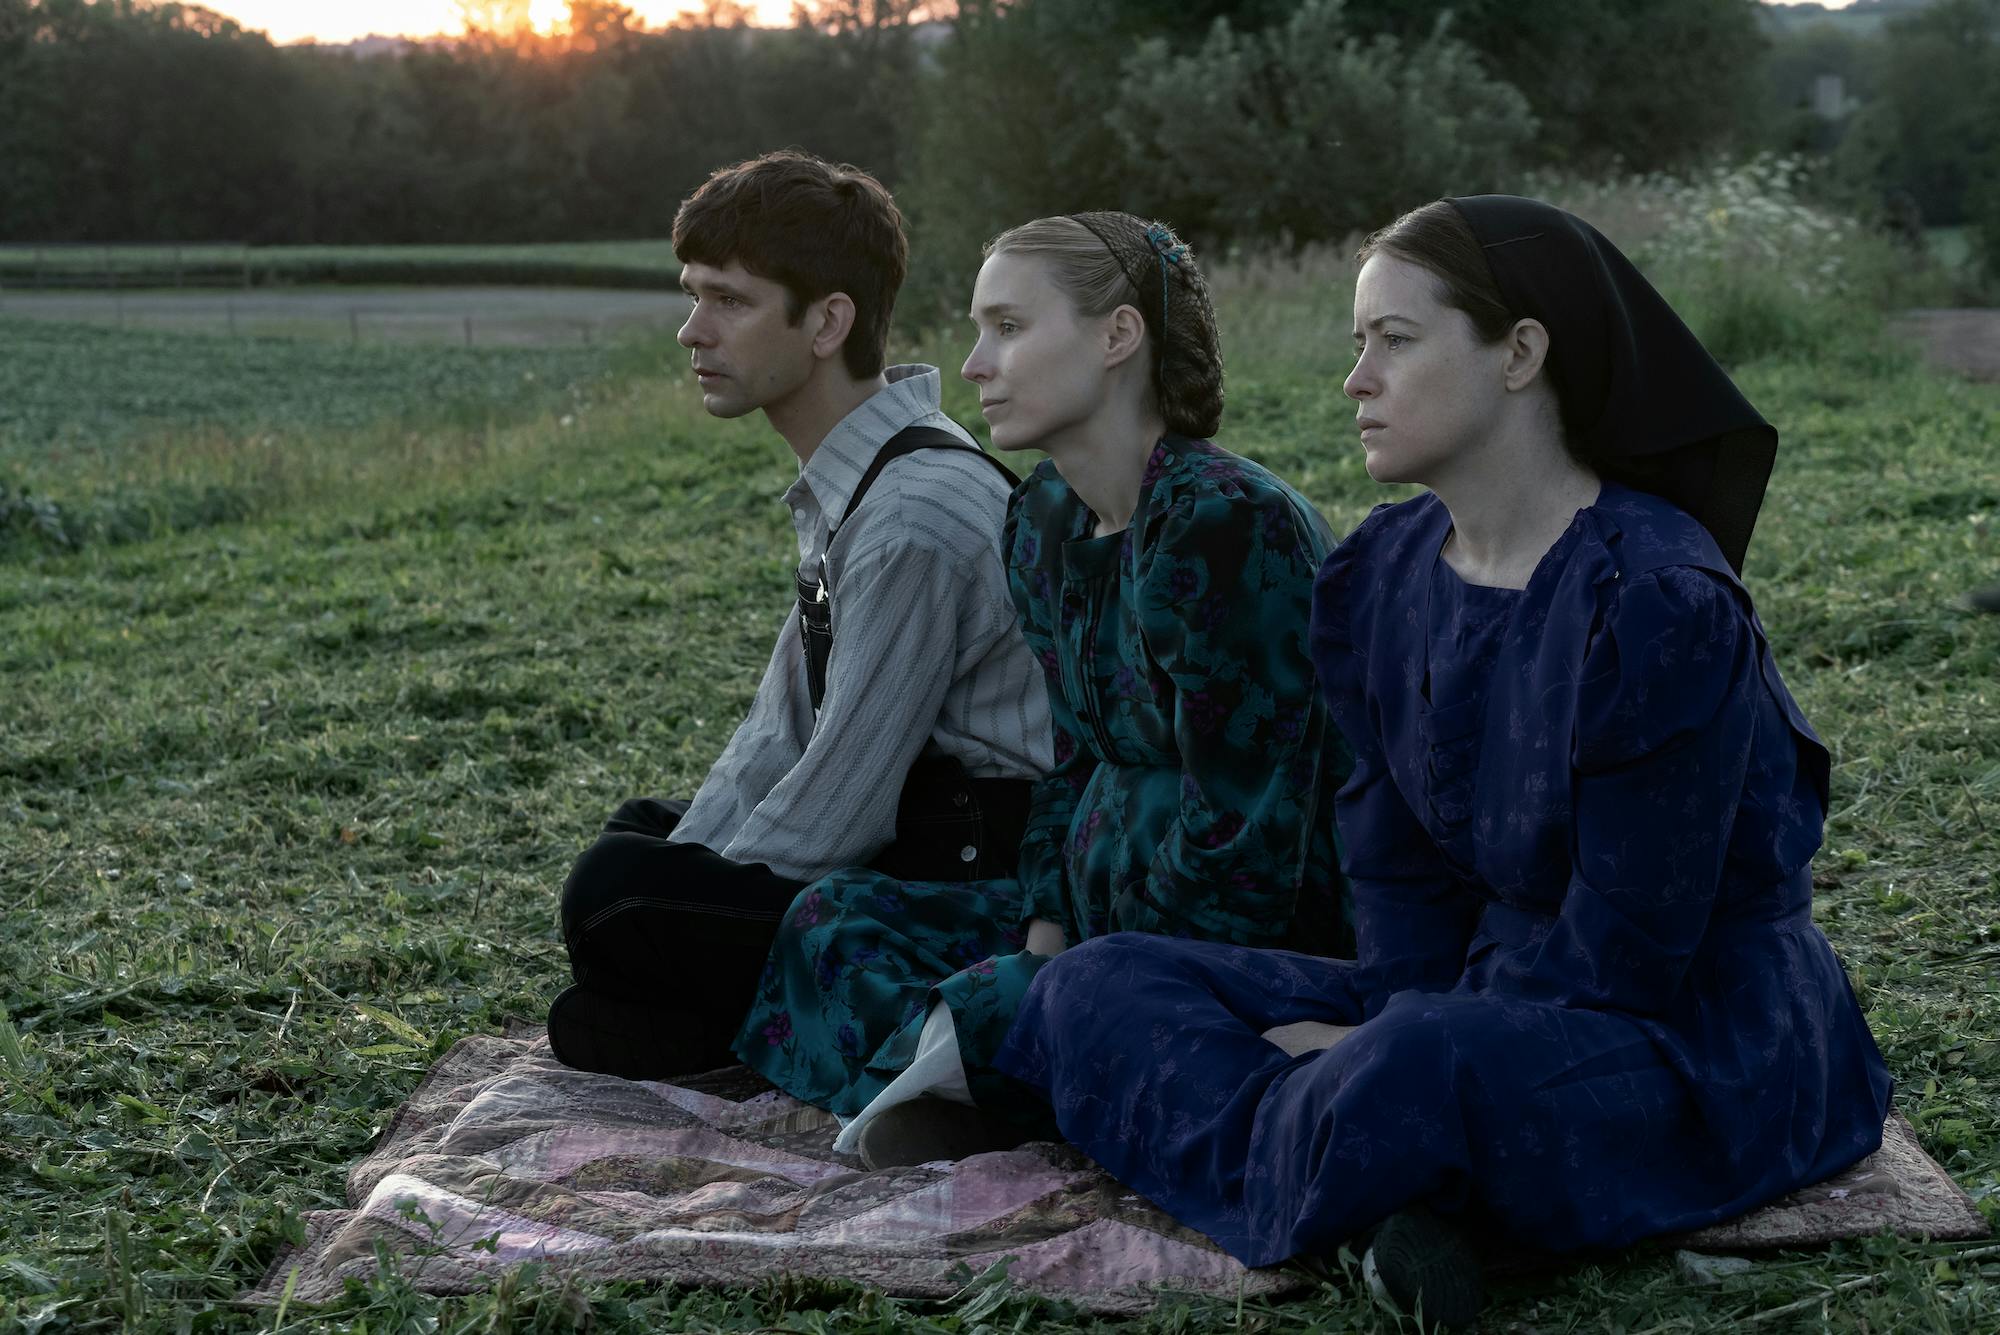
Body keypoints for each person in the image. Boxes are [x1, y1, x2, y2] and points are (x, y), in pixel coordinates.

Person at [994, 197, 1892, 1330]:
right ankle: (1376, 1183)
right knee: (1094, 984)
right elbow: (1393, 866)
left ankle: (1346, 1153)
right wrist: (1384, 1013)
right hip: (1462, 990)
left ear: (1519, 353)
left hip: (1687, 1033)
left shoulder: (1654, 601)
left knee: (1419, 1062)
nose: (1355, 380)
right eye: (1357, 343)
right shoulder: (1383, 570)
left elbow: (1628, 948)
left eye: (1395, 340)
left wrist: (1383, 1040)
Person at [732, 212, 1353, 1169]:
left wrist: (1079, 978)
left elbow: (1251, 832)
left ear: (1117, 337)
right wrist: (1047, 935)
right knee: (833, 922)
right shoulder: (1043, 519)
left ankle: (1016, 1074)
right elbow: (1070, 764)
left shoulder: (1227, 525)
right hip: (1093, 916)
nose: (975, 365)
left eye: (1010, 328)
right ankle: (1017, 1079)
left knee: (1039, 1001)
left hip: (1238, 934)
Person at [548, 151, 1052, 1081]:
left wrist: (691, 904)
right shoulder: (861, 477)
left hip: (966, 881)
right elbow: (778, 733)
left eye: (729, 301)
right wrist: (695, 868)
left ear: (827, 321)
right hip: (903, 828)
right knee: (637, 843)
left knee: (613, 897)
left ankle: (776, 1021)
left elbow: (840, 803)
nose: (691, 331)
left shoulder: (913, 516)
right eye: (693, 295)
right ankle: (727, 1018)